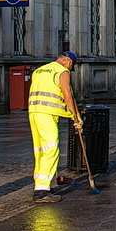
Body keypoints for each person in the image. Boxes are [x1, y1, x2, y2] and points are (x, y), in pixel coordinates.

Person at [27, 52, 83, 203]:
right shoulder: (62, 72)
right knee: (51, 148)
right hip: (47, 114)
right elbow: (68, 96)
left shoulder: (40, 70)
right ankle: (42, 192)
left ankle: (41, 184)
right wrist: (76, 117)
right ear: (69, 62)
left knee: (40, 150)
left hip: (34, 112)